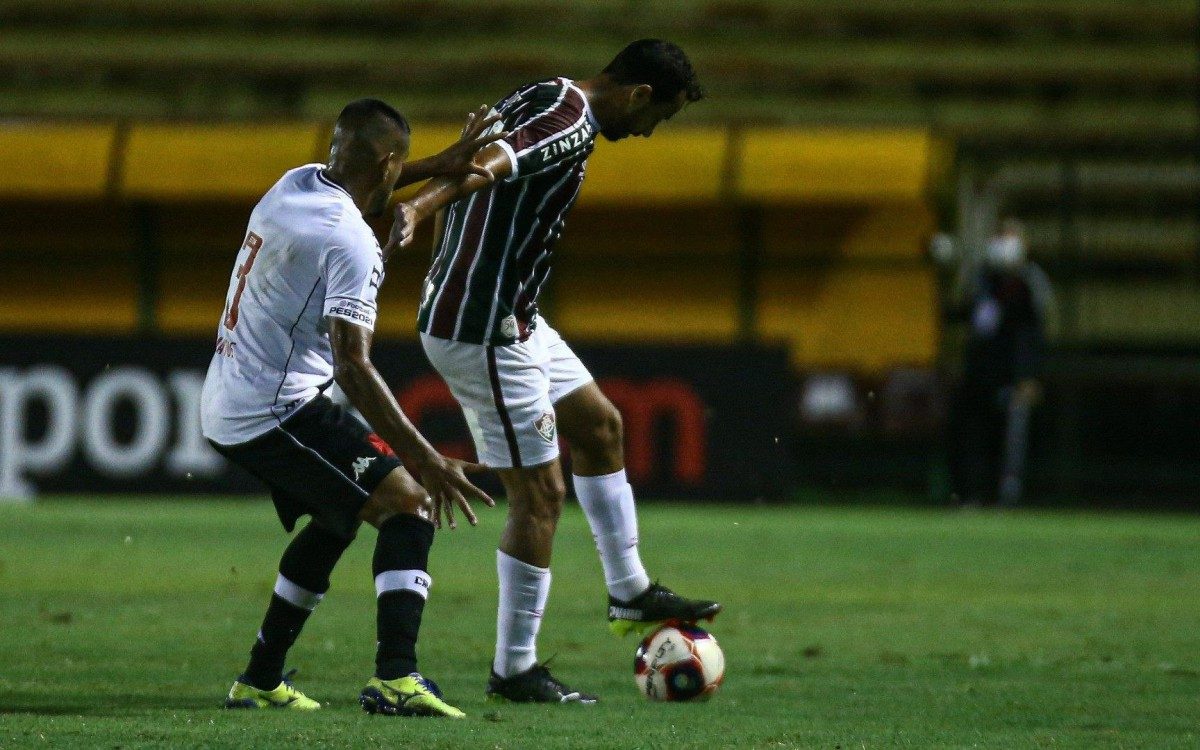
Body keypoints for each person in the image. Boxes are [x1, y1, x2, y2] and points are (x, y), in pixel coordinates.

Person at [386, 39, 722, 704]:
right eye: (661, 117)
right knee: (540, 496)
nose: (652, 132)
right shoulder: (570, 123)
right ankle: (514, 669)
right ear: (637, 95)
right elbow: (487, 163)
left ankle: (628, 590)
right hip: (484, 329)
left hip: (517, 315)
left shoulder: (545, 91)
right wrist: (417, 211)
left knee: (600, 426)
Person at [200, 98, 504, 718]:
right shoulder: (351, 243)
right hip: (275, 411)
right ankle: (397, 677)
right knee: (410, 502)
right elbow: (355, 369)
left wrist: (441, 163)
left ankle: (259, 681)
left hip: (232, 396)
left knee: (339, 518)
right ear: (390, 161)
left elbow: (369, 183)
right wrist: (427, 458)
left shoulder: (293, 185)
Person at [947, 218, 1054, 507]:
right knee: (971, 436)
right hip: (979, 373)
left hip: (1012, 374)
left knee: (1010, 439)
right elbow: (965, 320)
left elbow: (1036, 334)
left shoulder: (1030, 282)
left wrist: (1030, 375)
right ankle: (969, 495)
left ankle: (1007, 498)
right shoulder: (982, 279)